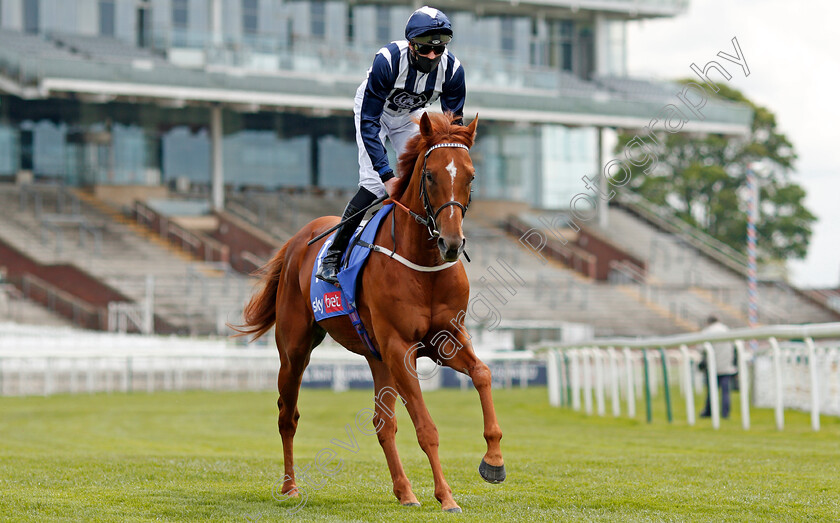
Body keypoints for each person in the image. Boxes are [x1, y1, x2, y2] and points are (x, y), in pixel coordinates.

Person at [316, 5, 466, 285]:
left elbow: (452, 129)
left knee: (430, 173)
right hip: (374, 114)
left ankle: (435, 239)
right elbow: (370, 122)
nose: (432, 55)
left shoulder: (454, 71)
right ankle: (333, 255)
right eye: (424, 48)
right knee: (374, 184)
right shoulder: (388, 60)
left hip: (410, 119)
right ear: (411, 45)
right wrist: (386, 175)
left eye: (440, 48)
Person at [699, 315, 738, 419]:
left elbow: (701, 348)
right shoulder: (727, 329)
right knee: (726, 392)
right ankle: (725, 414)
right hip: (727, 366)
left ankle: (708, 412)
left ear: (708, 322)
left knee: (711, 392)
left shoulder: (707, 331)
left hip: (713, 366)